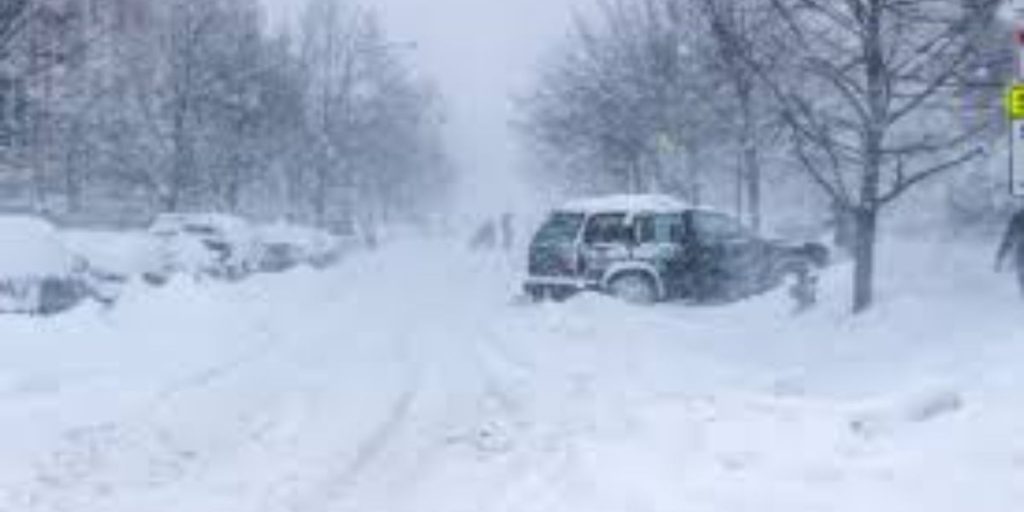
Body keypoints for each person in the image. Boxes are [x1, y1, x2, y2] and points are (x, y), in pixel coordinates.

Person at [995, 209, 1024, 295]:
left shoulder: (1018, 217)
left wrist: (1000, 257)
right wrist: (1000, 257)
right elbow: (1008, 237)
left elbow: (1008, 237)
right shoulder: (1018, 217)